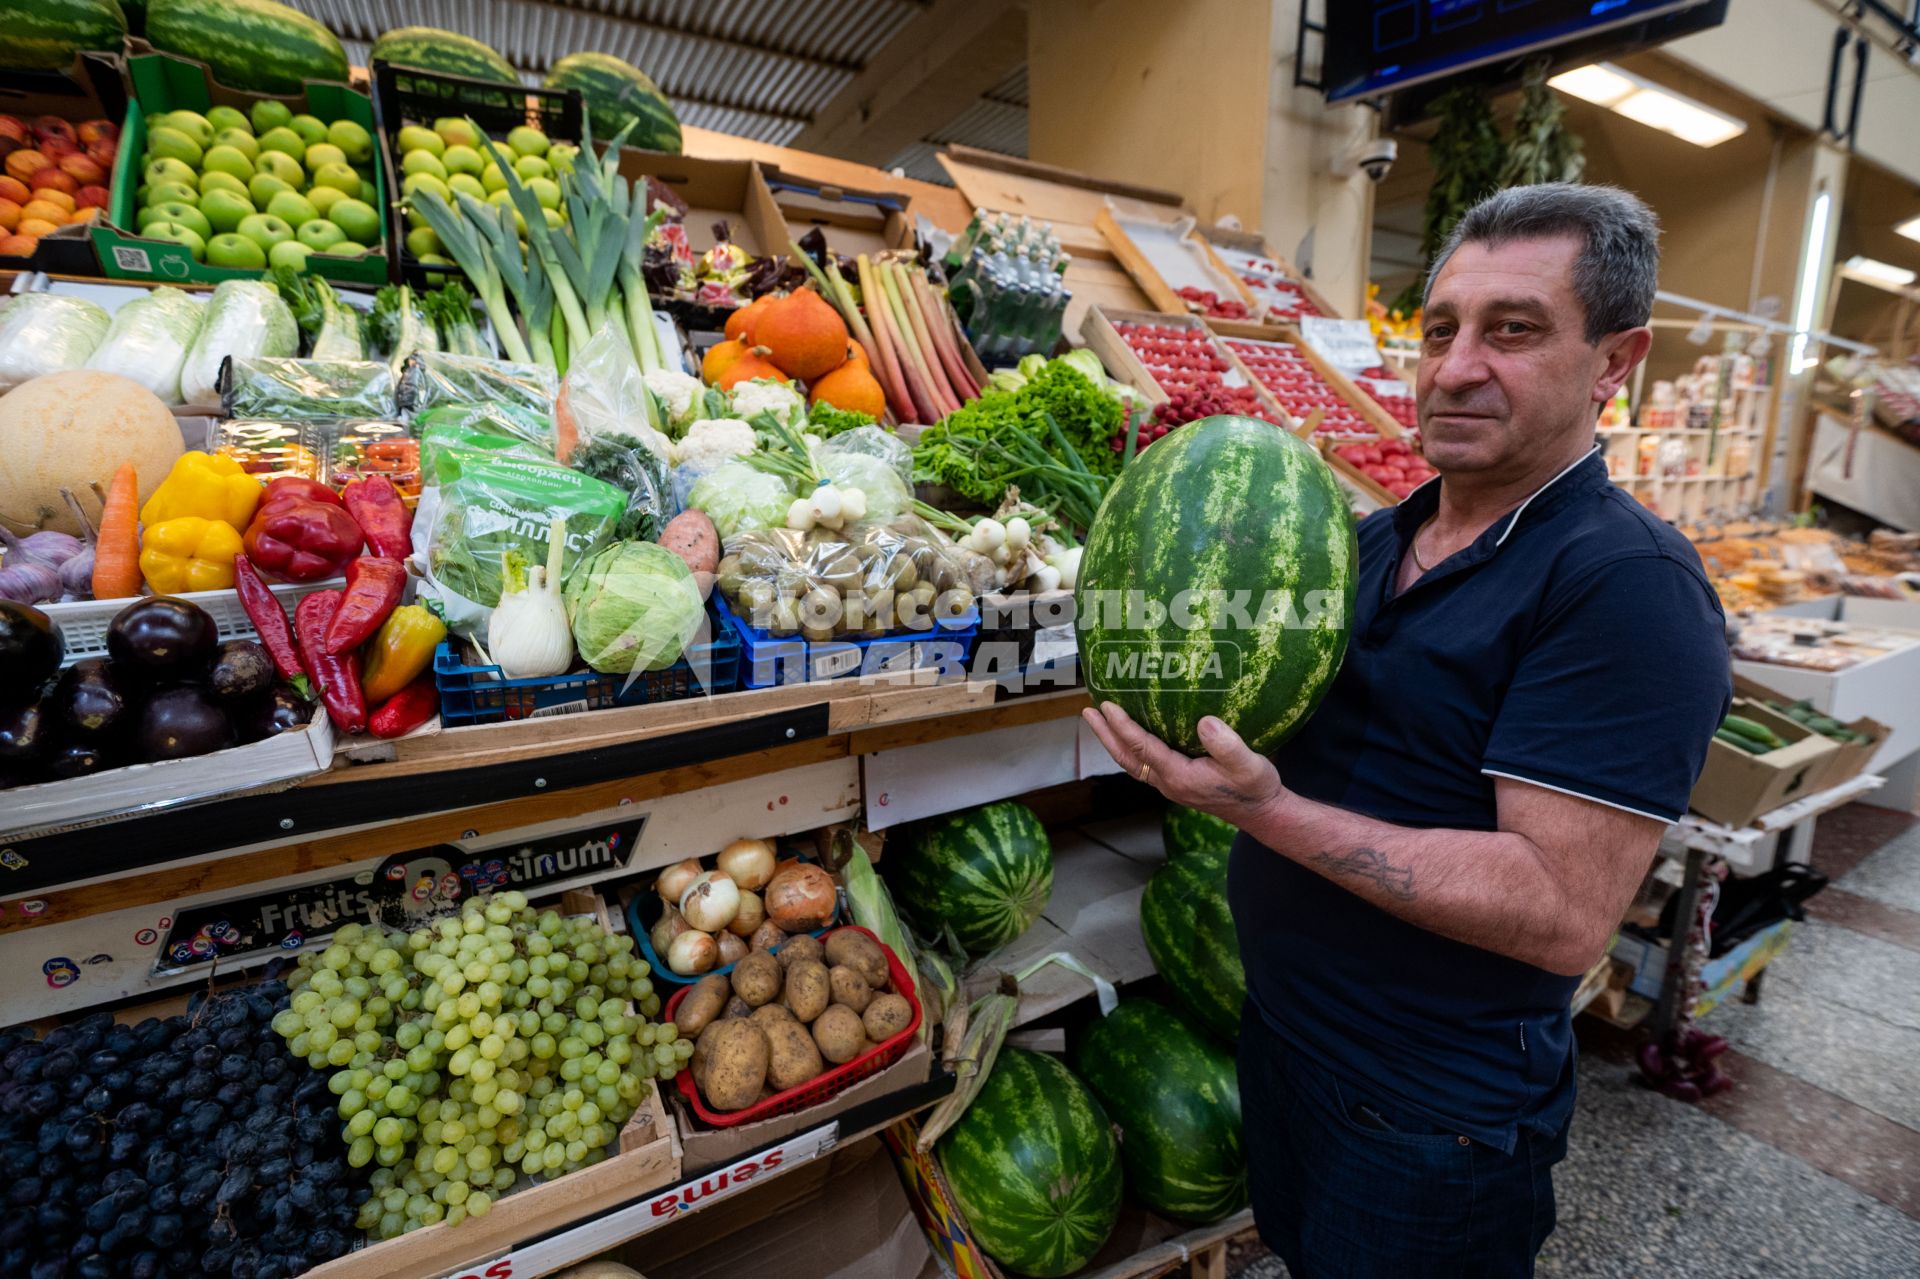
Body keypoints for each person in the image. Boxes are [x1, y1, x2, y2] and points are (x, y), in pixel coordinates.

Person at [1081, 183, 1731, 1278]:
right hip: (1288, 1042)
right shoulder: (1371, 541)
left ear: (1616, 362)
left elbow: (1562, 911)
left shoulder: (1626, 587)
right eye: (1440, 329)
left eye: (1512, 330)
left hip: (1430, 1111)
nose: (1455, 365)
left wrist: (1267, 811)